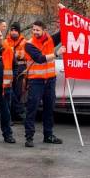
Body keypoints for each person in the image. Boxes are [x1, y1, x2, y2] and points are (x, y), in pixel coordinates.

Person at [23, 19, 64, 147]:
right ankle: (29, 137)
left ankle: (48, 135)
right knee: (32, 109)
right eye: (33, 29)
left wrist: (64, 15)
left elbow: (64, 32)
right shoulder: (29, 44)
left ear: (44, 30)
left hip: (50, 80)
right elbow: (40, 59)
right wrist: (57, 53)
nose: (34, 32)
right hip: (36, 81)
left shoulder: (51, 40)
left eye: (37, 30)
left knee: (49, 109)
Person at [4, 23, 27, 122]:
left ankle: (15, 115)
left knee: (17, 92)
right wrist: (14, 53)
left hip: (21, 67)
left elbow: (24, 55)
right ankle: (14, 113)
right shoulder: (5, 41)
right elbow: (4, 53)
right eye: (12, 30)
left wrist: (12, 53)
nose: (13, 32)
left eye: (15, 30)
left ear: (19, 32)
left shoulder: (24, 41)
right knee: (9, 91)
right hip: (8, 67)